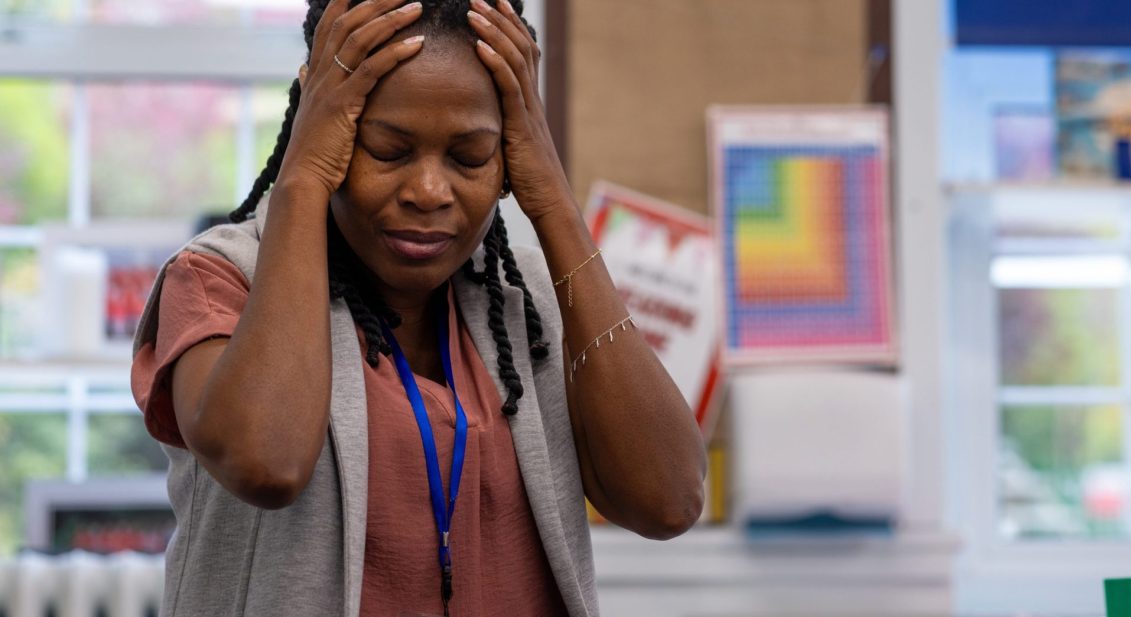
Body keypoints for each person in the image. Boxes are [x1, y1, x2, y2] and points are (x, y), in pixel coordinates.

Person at [129, 0, 706, 615]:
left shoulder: (532, 298)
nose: (429, 192)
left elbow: (668, 502)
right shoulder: (219, 280)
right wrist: (303, 177)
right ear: (325, 127)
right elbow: (267, 463)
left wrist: (552, 201)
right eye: (388, 150)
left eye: (471, 157)